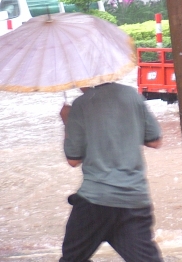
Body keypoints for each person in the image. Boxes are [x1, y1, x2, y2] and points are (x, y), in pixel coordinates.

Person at [59, 83, 163, 262]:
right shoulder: (132, 95)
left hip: (95, 202)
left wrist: (68, 122)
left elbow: (73, 160)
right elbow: (155, 141)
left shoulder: (81, 104)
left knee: (73, 259)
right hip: (134, 199)